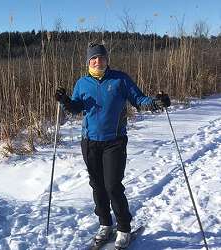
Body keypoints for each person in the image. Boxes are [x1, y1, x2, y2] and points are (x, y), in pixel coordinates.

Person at [54, 43, 171, 249]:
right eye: (94, 59)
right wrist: (64, 101)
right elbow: (75, 108)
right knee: (97, 186)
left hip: (114, 141)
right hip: (89, 142)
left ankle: (124, 228)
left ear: (107, 60)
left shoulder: (120, 79)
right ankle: (105, 224)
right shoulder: (82, 83)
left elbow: (139, 99)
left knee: (113, 186)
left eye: (101, 58)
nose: (98, 61)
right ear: (88, 62)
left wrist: (156, 102)